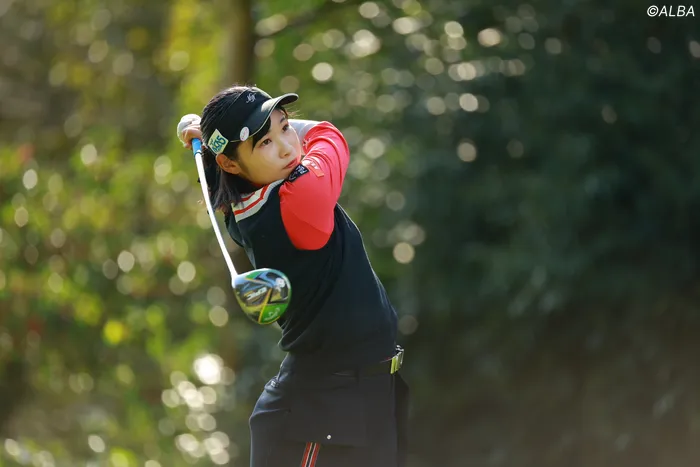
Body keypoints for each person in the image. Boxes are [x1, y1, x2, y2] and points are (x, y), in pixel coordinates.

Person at [178, 85, 409, 467]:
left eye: (284, 127)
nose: (287, 148)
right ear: (230, 165)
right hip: (321, 414)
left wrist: (222, 141)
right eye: (266, 142)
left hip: (362, 399)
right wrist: (220, 139)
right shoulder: (302, 197)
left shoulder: (243, 198)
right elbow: (326, 133)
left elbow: (253, 156)